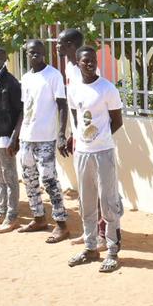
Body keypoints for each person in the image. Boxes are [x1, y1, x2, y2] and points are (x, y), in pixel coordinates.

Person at [66, 46, 124, 273]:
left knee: (108, 202)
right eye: (85, 61)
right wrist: (80, 137)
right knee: (87, 202)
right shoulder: (74, 89)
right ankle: (90, 248)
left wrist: (101, 138)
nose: (90, 64)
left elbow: (117, 121)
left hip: (104, 153)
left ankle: (112, 250)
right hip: (82, 154)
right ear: (78, 63)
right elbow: (75, 114)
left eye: (93, 60)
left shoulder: (107, 89)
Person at [17, 39, 71, 242]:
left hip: (46, 138)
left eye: (38, 53)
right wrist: (17, 136)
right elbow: (25, 108)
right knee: (29, 180)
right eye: (31, 53)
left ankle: (61, 224)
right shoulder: (26, 77)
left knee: (49, 181)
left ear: (44, 54)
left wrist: (61, 133)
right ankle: (38, 218)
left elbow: (62, 105)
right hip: (26, 137)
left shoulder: (53, 75)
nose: (34, 56)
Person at [59, 28, 105, 247]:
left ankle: (103, 233)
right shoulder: (70, 67)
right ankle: (91, 232)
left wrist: (86, 135)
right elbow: (75, 108)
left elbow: (94, 107)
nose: (57, 47)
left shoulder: (86, 71)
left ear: (71, 46)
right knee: (85, 187)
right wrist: (72, 134)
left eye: (61, 44)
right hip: (79, 136)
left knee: (97, 187)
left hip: (93, 139)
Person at [0, 46, 23, 232]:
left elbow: (20, 110)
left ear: (6, 58)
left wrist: (14, 137)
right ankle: (1, 210)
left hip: (5, 136)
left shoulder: (11, 82)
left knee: (10, 177)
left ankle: (12, 215)